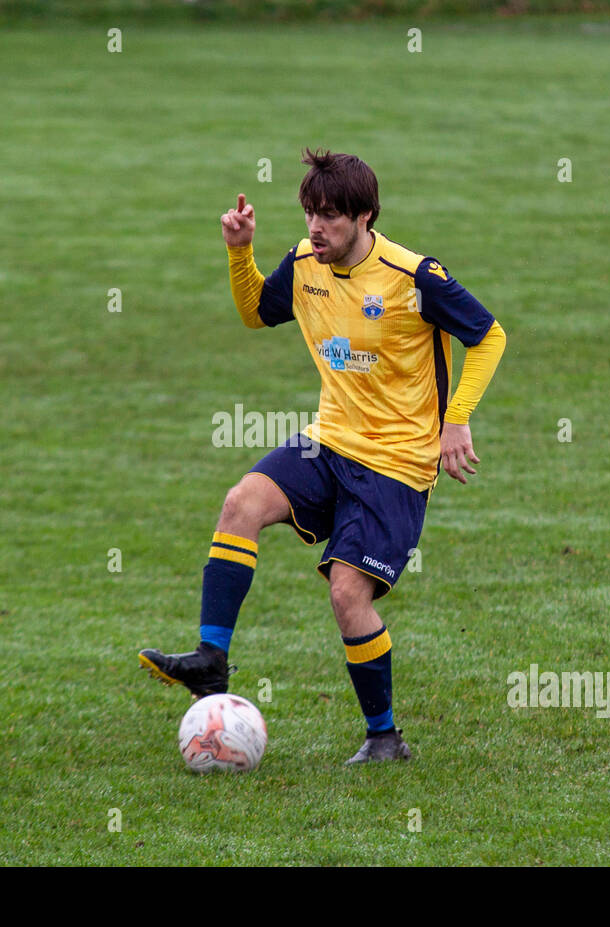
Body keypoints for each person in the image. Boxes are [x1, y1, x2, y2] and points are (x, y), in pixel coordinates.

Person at [140, 148, 507, 764]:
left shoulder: (414, 276)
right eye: (310, 213)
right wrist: (240, 251)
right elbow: (258, 312)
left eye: (332, 216)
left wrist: (457, 420)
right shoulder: (305, 263)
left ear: (364, 216)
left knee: (346, 594)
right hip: (330, 440)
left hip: (396, 463)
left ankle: (384, 737)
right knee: (241, 503)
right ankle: (211, 659)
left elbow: (489, 335)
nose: (316, 228)